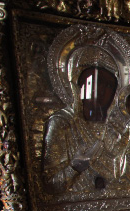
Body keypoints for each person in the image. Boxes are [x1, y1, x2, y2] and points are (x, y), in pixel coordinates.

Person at [43, 51, 120, 194]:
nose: (101, 90)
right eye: (97, 82)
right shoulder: (62, 123)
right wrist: (75, 167)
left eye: (109, 85)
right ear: (79, 85)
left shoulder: (115, 129)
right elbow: (49, 186)